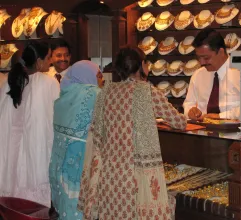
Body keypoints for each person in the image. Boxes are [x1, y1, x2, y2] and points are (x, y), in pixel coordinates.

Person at [77, 46, 187, 220]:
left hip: (108, 176)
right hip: (135, 177)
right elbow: (179, 122)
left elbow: (97, 136)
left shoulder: (105, 92)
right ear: (142, 65)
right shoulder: (146, 91)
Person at [0, 42, 59, 207]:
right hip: (36, 154)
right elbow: (55, 119)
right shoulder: (49, 83)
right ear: (39, 61)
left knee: (14, 207)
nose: (51, 62)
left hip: (11, 155)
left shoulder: (10, 81)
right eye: (49, 58)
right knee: (35, 207)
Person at [49, 60, 103, 220]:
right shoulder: (94, 93)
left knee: (66, 205)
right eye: (99, 75)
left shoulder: (64, 95)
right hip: (81, 160)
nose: (102, 80)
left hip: (60, 161)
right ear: (88, 76)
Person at [183, 28, 240, 121]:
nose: (201, 62)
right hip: (202, 132)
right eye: (199, 58)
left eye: (206, 57)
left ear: (221, 52)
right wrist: (190, 111)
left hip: (235, 133)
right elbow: (189, 103)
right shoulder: (198, 75)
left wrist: (221, 116)